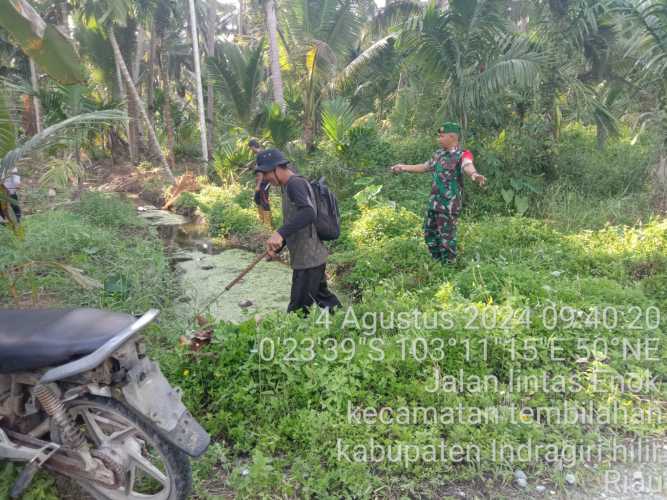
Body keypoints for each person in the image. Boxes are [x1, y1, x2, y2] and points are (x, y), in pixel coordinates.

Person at [256, 148, 341, 314]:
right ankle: (347, 324)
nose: (266, 178)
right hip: (309, 256)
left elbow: (309, 213)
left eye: (266, 173)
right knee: (323, 297)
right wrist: (278, 245)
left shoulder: (295, 184)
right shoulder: (287, 186)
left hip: (308, 259)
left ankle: (297, 337)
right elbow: (294, 222)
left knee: (297, 310)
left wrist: (279, 233)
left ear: (278, 168)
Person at [391, 122, 486, 263]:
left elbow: (468, 165)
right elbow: (424, 167)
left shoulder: (462, 154)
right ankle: (437, 263)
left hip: (449, 205)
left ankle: (449, 268)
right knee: (429, 233)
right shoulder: (438, 154)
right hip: (434, 203)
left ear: (452, 137)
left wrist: (474, 174)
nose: (439, 139)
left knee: (446, 238)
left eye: (442, 136)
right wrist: (403, 167)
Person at [249, 139, 272, 228]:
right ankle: (262, 222)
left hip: (264, 182)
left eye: (251, 149)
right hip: (261, 181)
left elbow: (261, 172)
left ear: (253, 146)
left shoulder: (260, 155)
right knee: (257, 199)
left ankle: (267, 226)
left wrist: (258, 185)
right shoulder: (262, 154)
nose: (251, 151)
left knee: (264, 201)